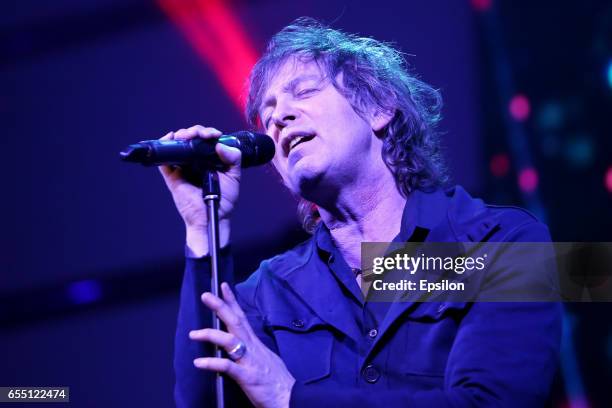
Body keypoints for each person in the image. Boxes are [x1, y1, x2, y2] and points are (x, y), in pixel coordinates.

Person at [159, 18, 561, 408]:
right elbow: (202, 401)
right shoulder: (271, 291)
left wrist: (292, 398)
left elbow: (490, 402)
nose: (279, 117)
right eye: (268, 114)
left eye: (304, 91)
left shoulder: (502, 241)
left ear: (379, 108)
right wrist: (203, 230)